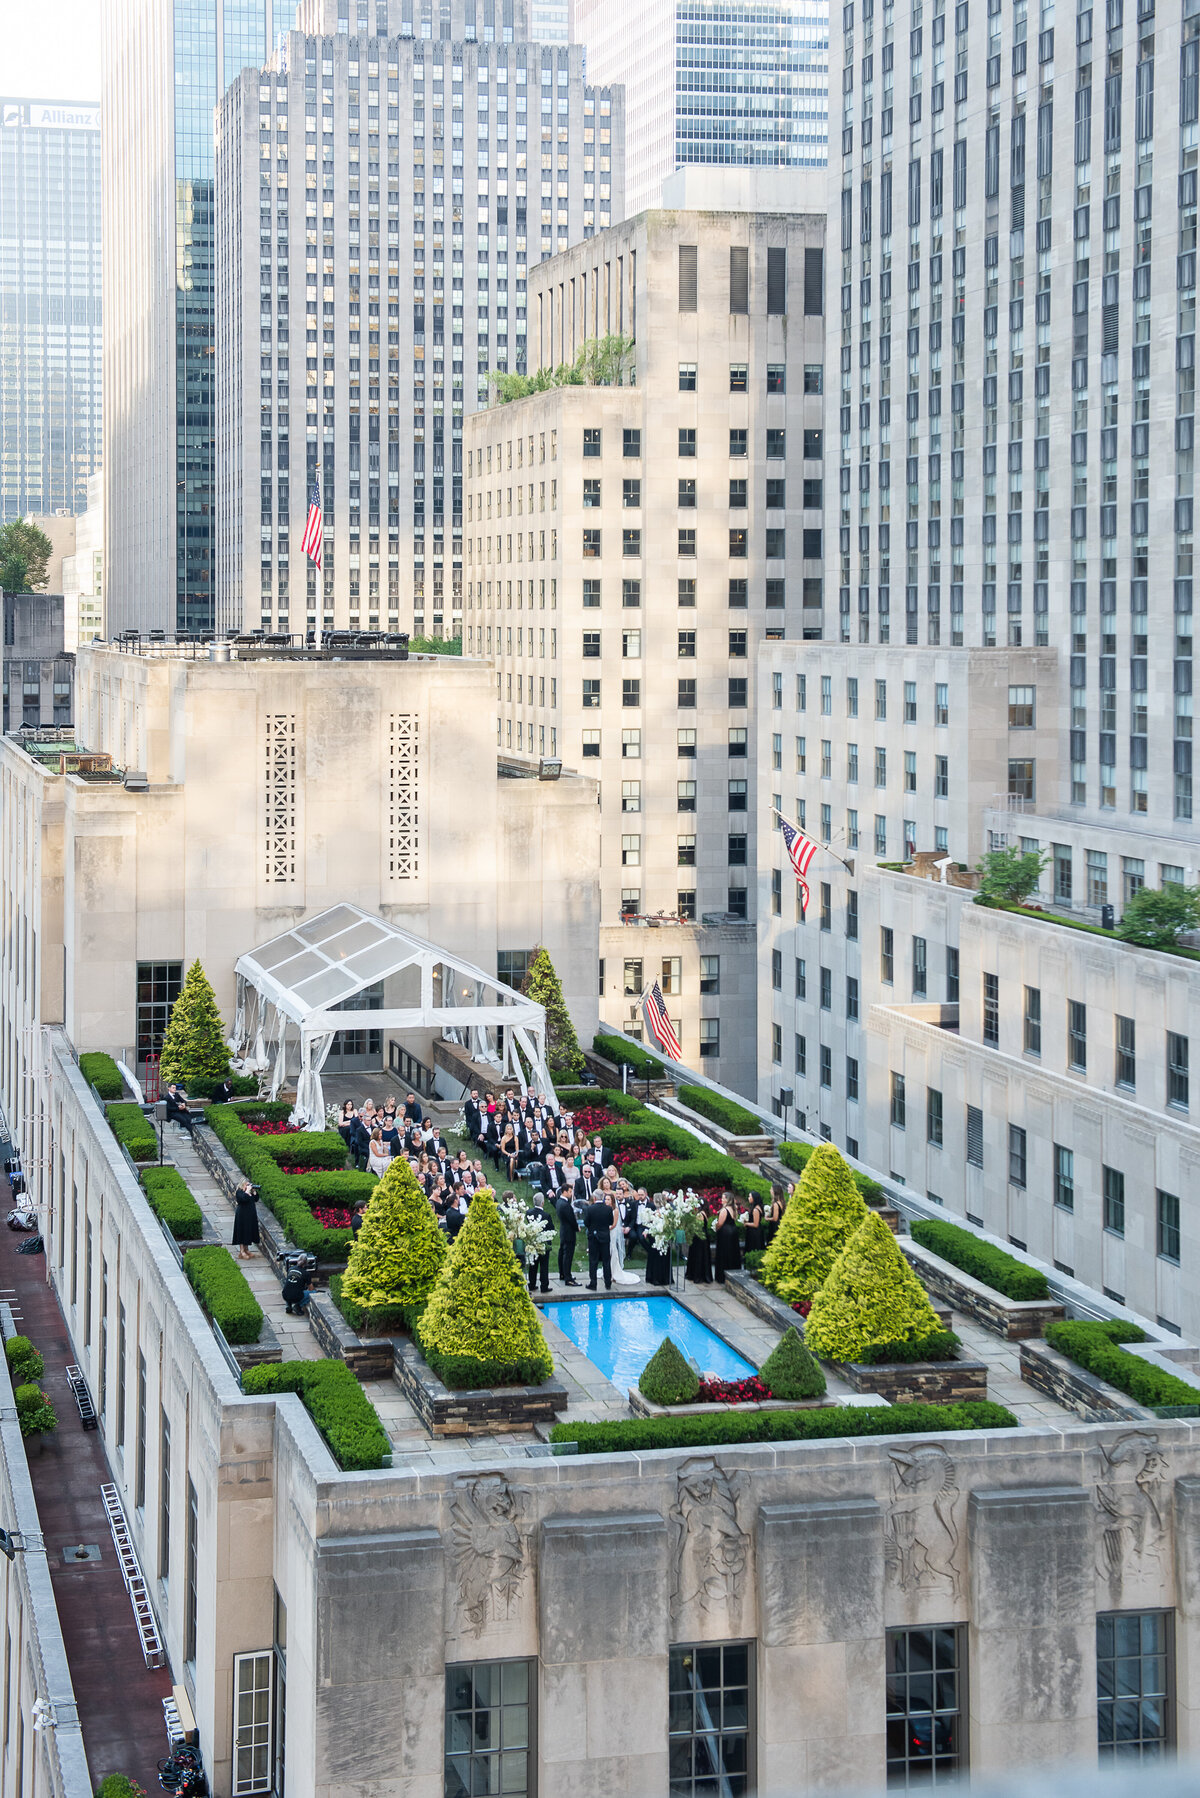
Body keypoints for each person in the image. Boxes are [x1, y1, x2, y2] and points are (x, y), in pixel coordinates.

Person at [584, 1195, 613, 1290]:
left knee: (593, 1260)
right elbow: (610, 1222)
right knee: (606, 1260)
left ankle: (593, 1283)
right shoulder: (608, 1209)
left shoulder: (590, 1209)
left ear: (595, 1198)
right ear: (603, 1198)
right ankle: (608, 1283)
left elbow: (586, 1223)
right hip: (605, 1237)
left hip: (593, 1238)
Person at [610, 1194, 639, 1285]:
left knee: (634, 1236)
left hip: (626, 1227)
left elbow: (633, 1218)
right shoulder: (609, 1208)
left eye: (620, 1194)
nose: (618, 1195)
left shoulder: (630, 1204)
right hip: (616, 1230)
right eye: (617, 1194)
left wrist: (628, 1227)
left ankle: (629, 1254)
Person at [713, 1197, 742, 1284]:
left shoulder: (724, 1210)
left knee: (724, 1253)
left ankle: (722, 1276)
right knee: (732, 1252)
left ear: (727, 1200)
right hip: (733, 1231)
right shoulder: (733, 1208)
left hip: (725, 1233)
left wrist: (715, 1227)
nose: (721, 1199)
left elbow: (720, 1223)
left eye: (723, 1198)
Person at [555, 1190, 580, 1286]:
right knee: (567, 1255)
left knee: (562, 1253)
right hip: (569, 1233)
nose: (571, 1194)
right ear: (564, 1192)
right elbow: (571, 1219)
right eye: (570, 1192)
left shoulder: (559, 1202)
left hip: (563, 1231)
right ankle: (568, 1278)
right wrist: (576, 1227)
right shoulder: (566, 1205)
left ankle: (563, 1274)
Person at [232, 1180, 261, 1261]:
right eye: (246, 1184)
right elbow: (243, 1199)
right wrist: (247, 1191)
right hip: (242, 1215)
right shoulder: (240, 1192)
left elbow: (255, 1199)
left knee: (248, 1232)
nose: (248, 1186)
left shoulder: (250, 1192)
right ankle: (242, 1251)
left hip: (250, 1215)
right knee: (242, 1232)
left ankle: (246, 1249)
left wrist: (254, 1192)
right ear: (243, 1184)